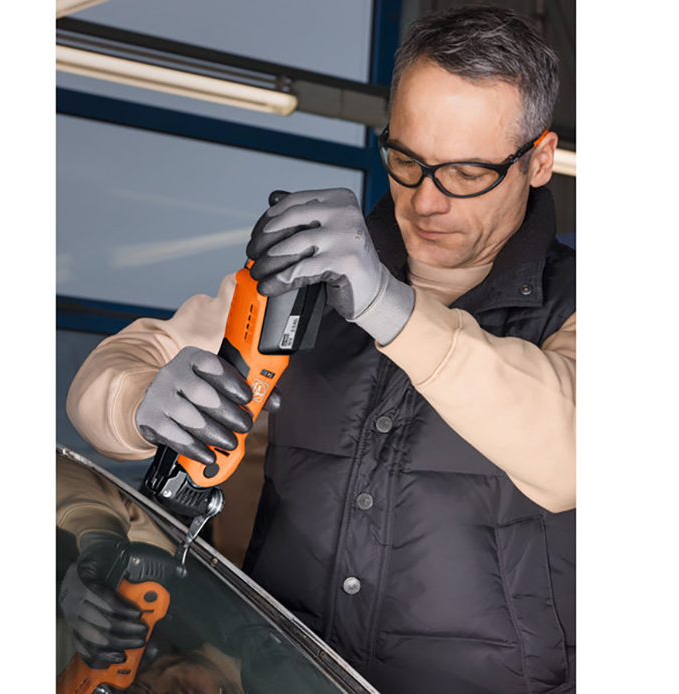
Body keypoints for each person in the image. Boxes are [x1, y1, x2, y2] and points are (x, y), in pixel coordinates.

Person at [65, 5, 576, 693]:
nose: (427, 202)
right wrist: (135, 400)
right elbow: (107, 379)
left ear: (539, 160)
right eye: (406, 160)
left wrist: (388, 307)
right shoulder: (303, 282)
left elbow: (573, 452)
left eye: (465, 173)